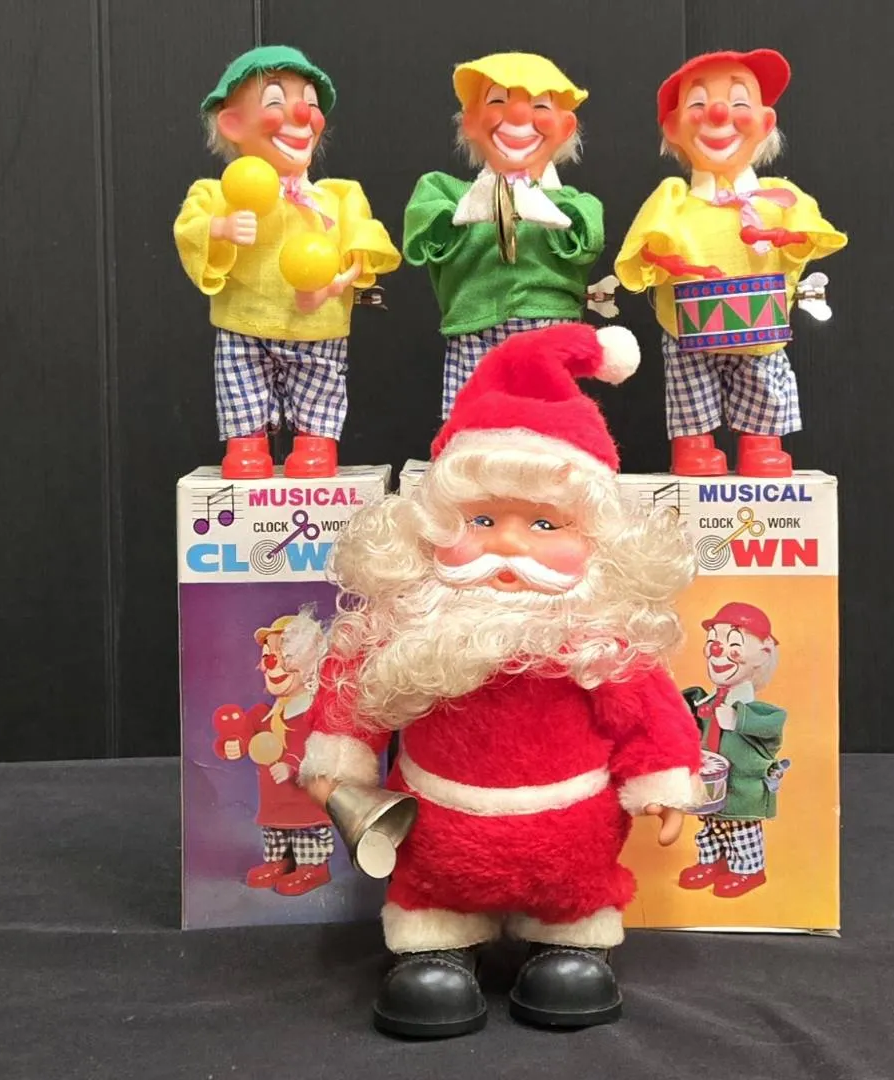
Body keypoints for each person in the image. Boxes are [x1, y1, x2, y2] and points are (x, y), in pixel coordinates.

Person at [300, 323, 703, 1037]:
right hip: (438, 838)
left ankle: (568, 945)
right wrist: (338, 765)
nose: (509, 545)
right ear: (430, 529)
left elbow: (648, 712)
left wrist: (664, 785)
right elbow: (354, 698)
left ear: (596, 541)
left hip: (571, 838)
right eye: (481, 520)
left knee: (573, 930)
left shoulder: (601, 635)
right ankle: (437, 947)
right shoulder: (407, 623)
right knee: (430, 923)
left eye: (545, 525)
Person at [615, 49, 846, 476]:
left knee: (763, 380)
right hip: (689, 328)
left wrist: (784, 236)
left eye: (739, 102)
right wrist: (666, 261)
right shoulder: (672, 200)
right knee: (690, 386)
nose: (718, 113)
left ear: (765, 122)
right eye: (698, 104)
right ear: (673, 127)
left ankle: (761, 444)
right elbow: (643, 253)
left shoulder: (782, 199)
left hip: (760, 327)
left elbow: (809, 240)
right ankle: (693, 445)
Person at [175, 45, 400, 478]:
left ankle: (316, 446)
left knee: (319, 388)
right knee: (241, 389)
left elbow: (360, 253)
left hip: (317, 327)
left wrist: (334, 285)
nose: (301, 114)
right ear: (232, 123)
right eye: (276, 101)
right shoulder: (217, 194)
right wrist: (220, 227)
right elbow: (189, 230)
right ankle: (246, 447)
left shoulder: (339, 198)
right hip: (244, 324)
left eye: (310, 104)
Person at [403, 52, 605, 419]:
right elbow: (425, 233)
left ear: (566, 127)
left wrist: (552, 212)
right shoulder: (444, 193)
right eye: (497, 100)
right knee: (474, 423)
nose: (518, 115)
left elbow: (587, 241)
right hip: (474, 330)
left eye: (540, 104)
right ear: (469, 120)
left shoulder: (577, 203)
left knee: (548, 424)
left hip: (549, 329)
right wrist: (466, 211)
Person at [211, 613, 333, 896]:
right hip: (274, 803)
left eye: (283, 656)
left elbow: (322, 751)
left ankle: (314, 868)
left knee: (306, 834)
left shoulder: (315, 715)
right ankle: (280, 861)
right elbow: (240, 733)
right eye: (268, 657)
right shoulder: (264, 714)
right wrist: (231, 745)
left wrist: (292, 766)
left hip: (306, 802)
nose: (271, 665)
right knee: (275, 833)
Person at [681, 602, 787, 898]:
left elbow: (773, 726)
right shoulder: (705, 702)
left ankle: (749, 870)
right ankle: (712, 861)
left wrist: (739, 719)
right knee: (710, 825)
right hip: (711, 786)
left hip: (743, 788)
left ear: (762, 654)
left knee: (741, 828)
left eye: (734, 644)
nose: (718, 650)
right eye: (713, 641)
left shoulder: (757, 712)